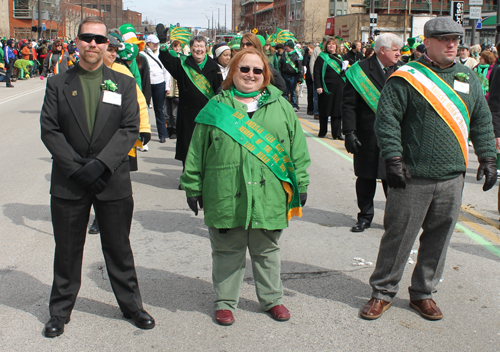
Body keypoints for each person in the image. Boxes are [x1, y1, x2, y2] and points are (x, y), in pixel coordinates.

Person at [360, 17, 497, 321]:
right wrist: (393, 159)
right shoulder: (406, 77)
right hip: (413, 176)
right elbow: (387, 121)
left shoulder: (467, 76)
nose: (452, 45)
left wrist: (488, 157)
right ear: (428, 43)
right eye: (445, 39)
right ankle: (382, 292)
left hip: (452, 176)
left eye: (456, 40)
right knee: (399, 236)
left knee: (439, 239)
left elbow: (481, 118)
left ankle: (423, 293)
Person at [40, 17, 155, 337]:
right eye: (86, 38)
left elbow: (129, 128)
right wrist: (77, 168)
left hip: (112, 179)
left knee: (118, 248)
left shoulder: (123, 82)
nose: (93, 44)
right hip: (69, 179)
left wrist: (102, 164)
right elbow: (49, 129)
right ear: (76, 42)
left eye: (99, 39)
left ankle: (132, 307)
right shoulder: (57, 83)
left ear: (108, 45)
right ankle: (60, 311)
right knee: (66, 249)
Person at [180, 48, 310, 326]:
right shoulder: (215, 106)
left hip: (270, 192)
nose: (250, 75)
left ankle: (272, 299)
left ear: (265, 75)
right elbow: (196, 151)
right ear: (232, 71)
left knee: (267, 250)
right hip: (225, 190)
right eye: (244, 69)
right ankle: (225, 302)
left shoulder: (282, 106)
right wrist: (192, 186)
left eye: (257, 70)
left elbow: (298, 149)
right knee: (227, 250)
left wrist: (301, 183)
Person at [342, 33, 404, 233]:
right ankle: (365, 217)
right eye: (395, 50)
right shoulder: (359, 71)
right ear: (382, 50)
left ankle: (393, 219)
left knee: (392, 178)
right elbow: (349, 105)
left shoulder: (404, 70)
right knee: (366, 178)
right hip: (367, 133)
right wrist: (349, 132)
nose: (399, 54)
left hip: (395, 135)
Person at [158, 35, 223, 166]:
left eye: (201, 47)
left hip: (206, 113)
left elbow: (219, 90)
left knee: (205, 145)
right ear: (191, 48)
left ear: (206, 48)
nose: (199, 50)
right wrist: (163, 43)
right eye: (196, 46)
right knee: (187, 145)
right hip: (187, 114)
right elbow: (166, 59)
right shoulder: (182, 64)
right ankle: (187, 175)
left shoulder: (213, 66)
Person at [314, 38, 345, 139]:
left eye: (333, 44)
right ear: (326, 46)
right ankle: (323, 131)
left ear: (336, 46)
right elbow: (317, 72)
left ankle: (337, 133)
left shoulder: (340, 58)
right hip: (326, 87)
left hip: (339, 87)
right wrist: (318, 86)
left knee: (337, 111)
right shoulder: (321, 58)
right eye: (329, 44)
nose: (331, 46)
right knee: (324, 110)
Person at [141, 34, 170, 142]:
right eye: (154, 43)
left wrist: (167, 86)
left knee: (159, 110)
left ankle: (162, 134)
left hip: (159, 83)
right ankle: (144, 134)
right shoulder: (142, 54)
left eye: (157, 43)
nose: (156, 45)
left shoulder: (161, 54)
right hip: (147, 84)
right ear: (148, 43)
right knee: (145, 109)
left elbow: (166, 71)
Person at [279, 39, 303, 112]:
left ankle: (294, 105)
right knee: (285, 91)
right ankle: (285, 104)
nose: (286, 48)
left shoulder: (296, 55)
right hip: (285, 75)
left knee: (293, 91)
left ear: (291, 47)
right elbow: (280, 65)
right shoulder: (284, 54)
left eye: (287, 46)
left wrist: (300, 77)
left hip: (293, 75)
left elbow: (300, 67)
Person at [164, 40, 181, 139]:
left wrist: (177, 93)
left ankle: (175, 129)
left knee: (175, 113)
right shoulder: (166, 65)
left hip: (175, 92)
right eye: (175, 46)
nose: (177, 48)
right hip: (167, 91)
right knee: (167, 112)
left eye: (178, 46)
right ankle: (169, 128)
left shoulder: (180, 61)